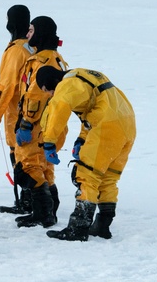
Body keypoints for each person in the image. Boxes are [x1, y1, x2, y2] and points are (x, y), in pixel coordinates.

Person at [35, 65, 137, 241]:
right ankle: (102, 225)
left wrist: (49, 141)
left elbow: (60, 107)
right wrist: (82, 139)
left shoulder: (67, 84)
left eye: (47, 90)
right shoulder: (85, 76)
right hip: (127, 125)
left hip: (107, 126)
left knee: (86, 175)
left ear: (51, 81)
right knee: (107, 177)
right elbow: (99, 107)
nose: (50, 94)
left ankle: (78, 228)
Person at [13, 16, 68, 228]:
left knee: (28, 165)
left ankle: (43, 212)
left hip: (38, 124)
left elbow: (36, 96)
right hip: (50, 123)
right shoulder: (57, 58)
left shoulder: (43, 62)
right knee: (44, 166)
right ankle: (49, 209)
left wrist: (26, 123)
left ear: (41, 33)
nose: (27, 35)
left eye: (31, 30)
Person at [0, 4, 34, 214]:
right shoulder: (31, 46)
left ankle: (29, 202)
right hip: (32, 113)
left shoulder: (16, 51)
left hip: (18, 113)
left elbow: (5, 88)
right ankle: (33, 200)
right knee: (32, 158)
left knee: (22, 158)